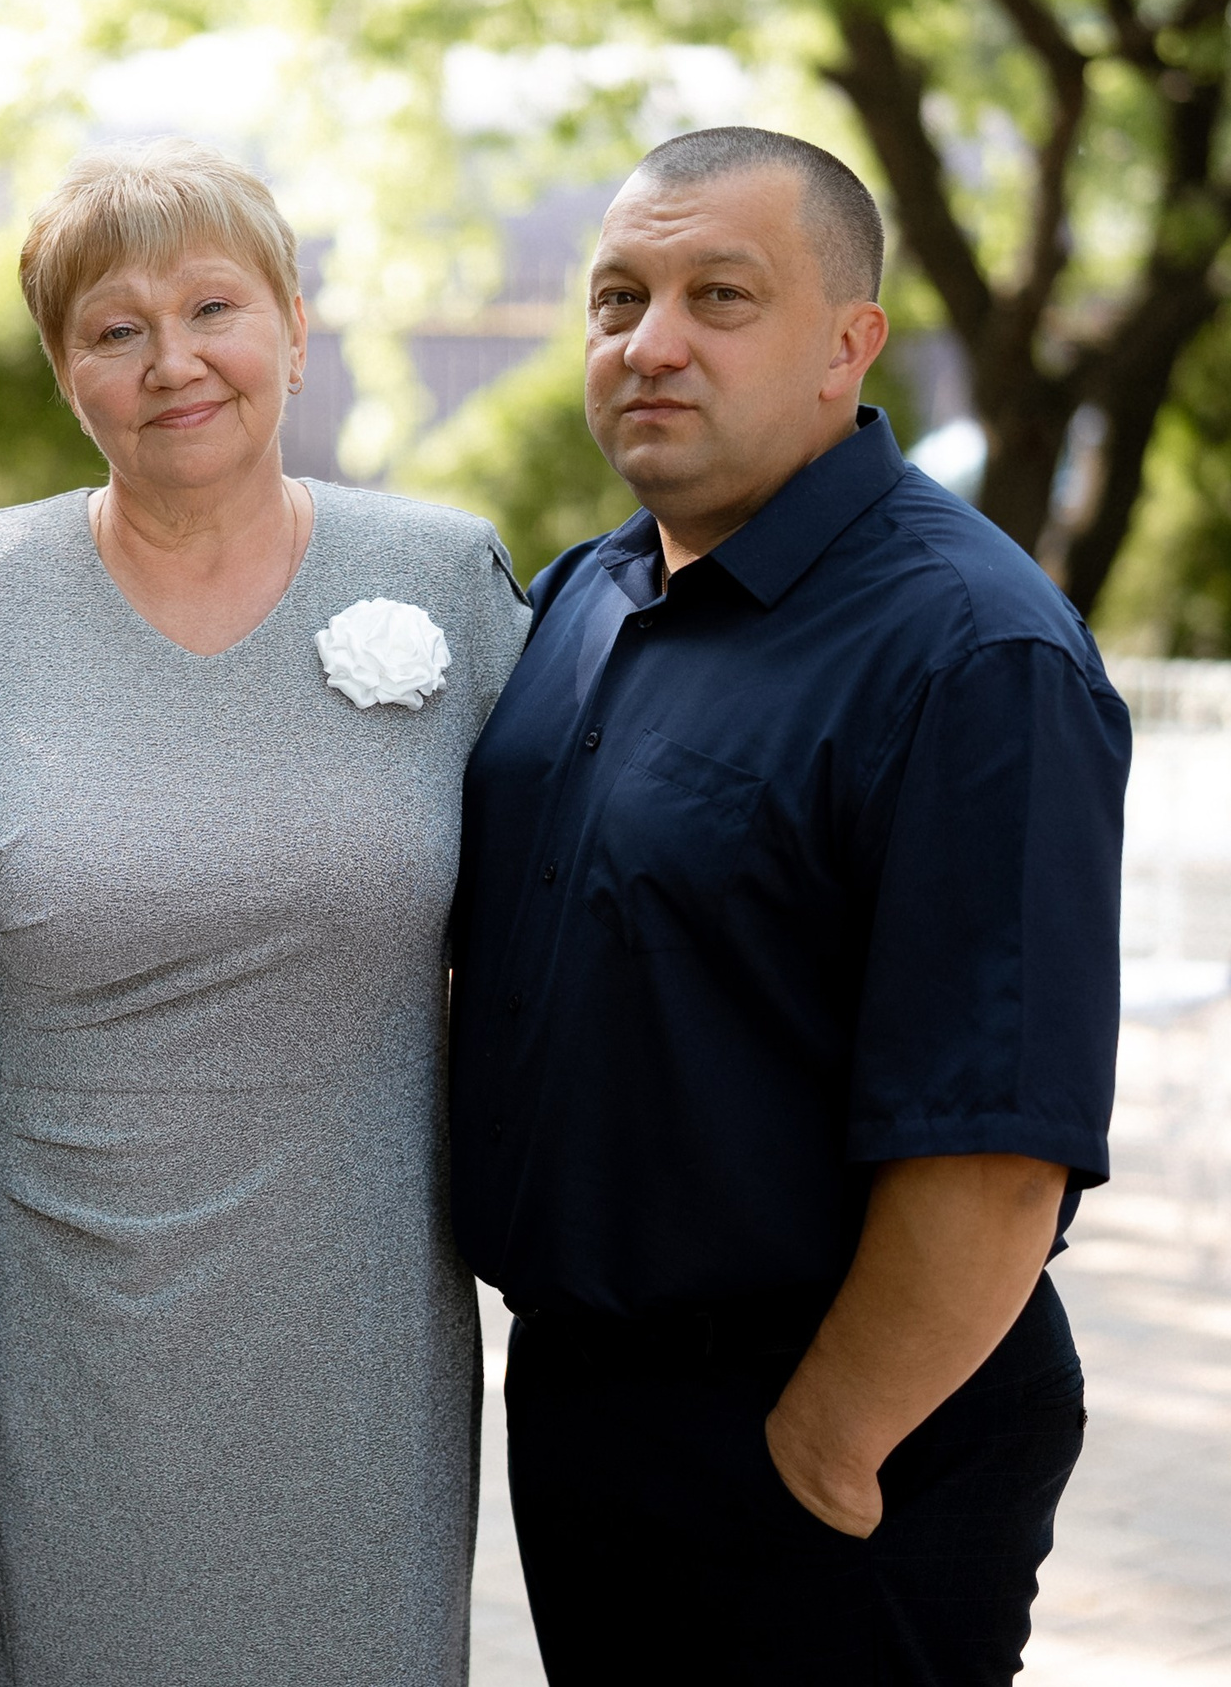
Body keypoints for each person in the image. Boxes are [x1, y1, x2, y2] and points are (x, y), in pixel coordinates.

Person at [450, 126, 1131, 1684]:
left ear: (850, 343)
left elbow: (996, 1152)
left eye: (721, 296)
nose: (654, 341)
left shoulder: (972, 651)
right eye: (618, 298)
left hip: (828, 1436)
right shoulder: (584, 600)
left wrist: (823, 1445)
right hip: (591, 1407)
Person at [0, 137, 530, 1685]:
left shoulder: (442, 580)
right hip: (45, 1295)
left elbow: (554, 928)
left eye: (214, 308)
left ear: (296, 328)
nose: (174, 361)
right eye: (114, 327)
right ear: (66, 372)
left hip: (354, 1295)